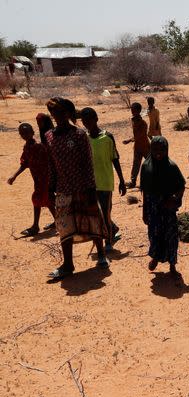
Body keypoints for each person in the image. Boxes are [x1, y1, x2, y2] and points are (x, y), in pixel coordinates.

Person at [44, 97, 110, 280]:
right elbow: (51, 164)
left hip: (83, 187)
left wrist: (91, 188)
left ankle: (101, 254)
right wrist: (50, 188)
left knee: (92, 220)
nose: (56, 116)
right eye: (53, 113)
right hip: (63, 189)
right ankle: (68, 264)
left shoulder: (79, 135)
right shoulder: (49, 136)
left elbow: (87, 164)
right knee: (64, 226)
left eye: (59, 113)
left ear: (67, 113)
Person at [79, 108, 126, 252]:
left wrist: (122, 180)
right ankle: (112, 228)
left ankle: (109, 240)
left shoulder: (107, 137)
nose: (87, 124)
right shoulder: (84, 138)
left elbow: (115, 158)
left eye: (89, 120)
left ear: (96, 119)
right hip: (90, 183)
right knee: (94, 213)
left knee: (105, 212)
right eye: (84, 121)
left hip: (105, 182)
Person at [140, 136, 186, 276]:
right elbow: (145, 193)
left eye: (162, 149)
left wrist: (175, 198)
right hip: (153, 208)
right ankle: (155, 257)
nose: (158, 152)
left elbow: (181, 186)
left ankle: (172, 265)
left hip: (168, 207)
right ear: (150, 150)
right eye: (154, 149)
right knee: (154, 235)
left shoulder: (171, 167)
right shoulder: (146, 167)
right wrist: (144, 211)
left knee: (171, 236)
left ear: (167, 150)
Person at [7, 123, 56, 236]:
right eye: (22, 133)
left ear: (32, 133)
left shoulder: (39, 146)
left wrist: (52, 179)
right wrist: (14, 175)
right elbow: (25, 163)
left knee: (37, 199)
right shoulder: (27, 147)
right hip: (37, 179)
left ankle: (35, 226)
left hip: (45, 178)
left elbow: (50, 162)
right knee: (47, 201)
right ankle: (58, 222)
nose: (24, 135)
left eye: (26, 132)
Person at [122, 102, 150, 189]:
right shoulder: (133, 120)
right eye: (131, 110)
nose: (132, 112)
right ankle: (133, 181)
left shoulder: (143, 123)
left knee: (151, 162)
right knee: (136, 164)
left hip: (145, 146)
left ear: (139, 111)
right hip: (137, 147)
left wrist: (129, 140)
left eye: (134, 110)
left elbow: (140, 135)